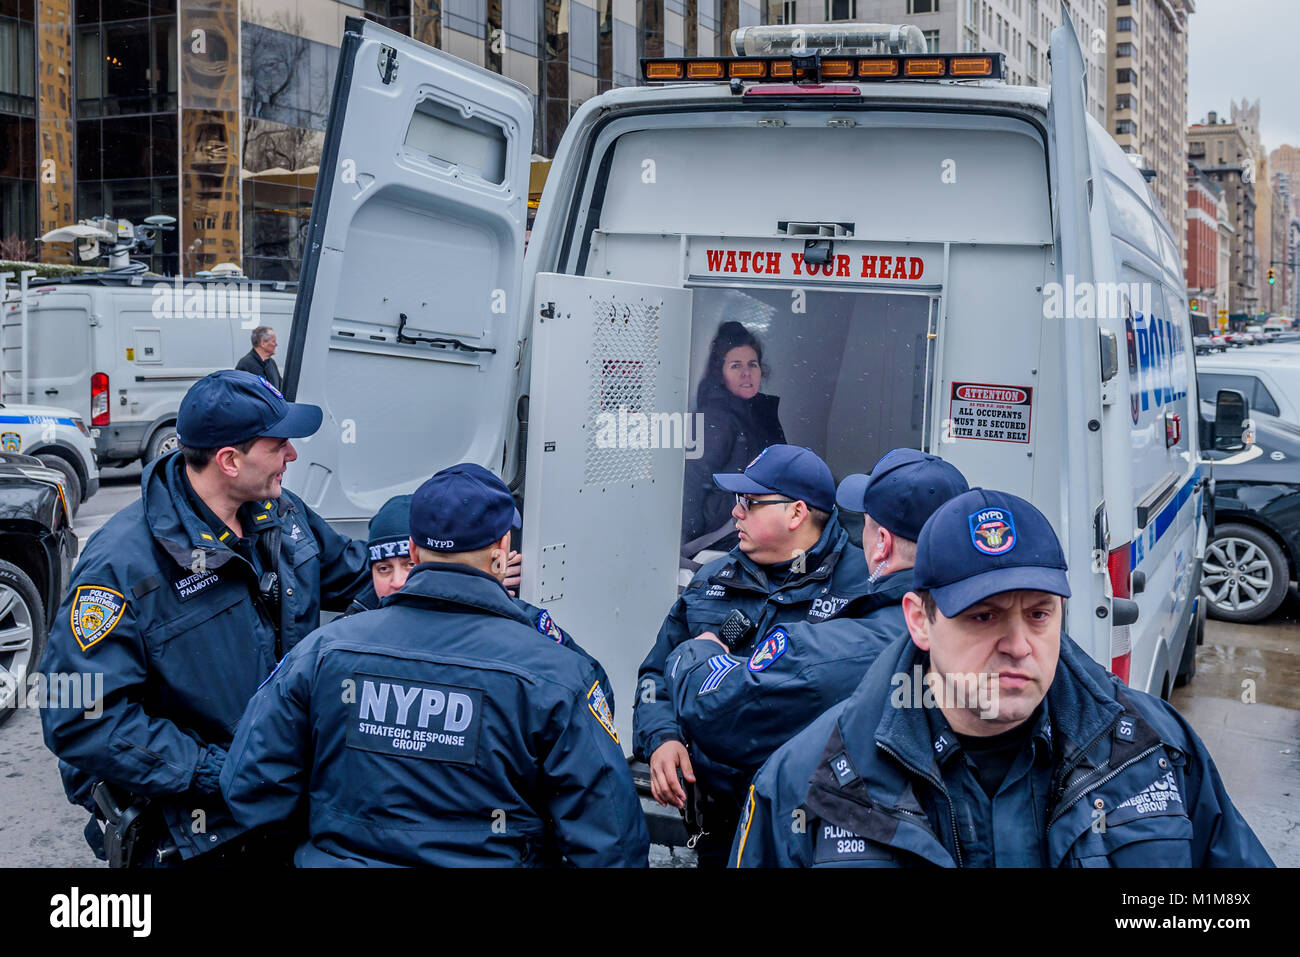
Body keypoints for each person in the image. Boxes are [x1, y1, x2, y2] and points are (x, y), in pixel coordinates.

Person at [731, 488, 1275, 868]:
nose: (1019, 646)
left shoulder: (1156, 750)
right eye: (982, 616)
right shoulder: (810, 784)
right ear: (921, 619)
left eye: (1039, 614)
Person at [221, 464, 649, 867]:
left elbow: (250, 785)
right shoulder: (557, 675)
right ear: (502, 548)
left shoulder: (321, 653)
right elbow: (609, 838)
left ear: (413, 550)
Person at [39, 370, 370, 866]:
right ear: (230, 461)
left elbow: (361, 576)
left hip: (283, 805)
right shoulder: (121, 565)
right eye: (279, 444)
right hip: (195, 835)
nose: (292, 455)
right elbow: (79, 715)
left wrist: (457, 573)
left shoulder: (281, 514)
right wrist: (219, 769)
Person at [665, 449, 968, 802]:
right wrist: (661, 734)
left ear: (882, 543)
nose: (737, 511)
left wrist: (699, 653)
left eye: (865, 525)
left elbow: (723, 711)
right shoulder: (1001, 635)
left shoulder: (844, 644)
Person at [634, 443, 868, 866]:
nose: (735, 513)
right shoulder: (712, 577)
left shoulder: (863, 588)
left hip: (810, 821)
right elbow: (655, 673)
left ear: (796, 513)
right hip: (717, 816)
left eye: (750, 502)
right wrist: (661, 739)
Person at [344, 491, 617, 710]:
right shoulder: (345, 636)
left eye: (409, 565)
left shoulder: (517, 622)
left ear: (424, 558)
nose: (397, 581)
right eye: (383, 569)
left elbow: (592, 687)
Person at [681, 321, 786, 547]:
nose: (747, 373)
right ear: (721, 374)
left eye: (753, 364)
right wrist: (687, 543)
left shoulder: (762, 414)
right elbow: (692, 482)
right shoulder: (715, 419)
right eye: (736, 366)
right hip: (723, 536)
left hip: (759, 527)